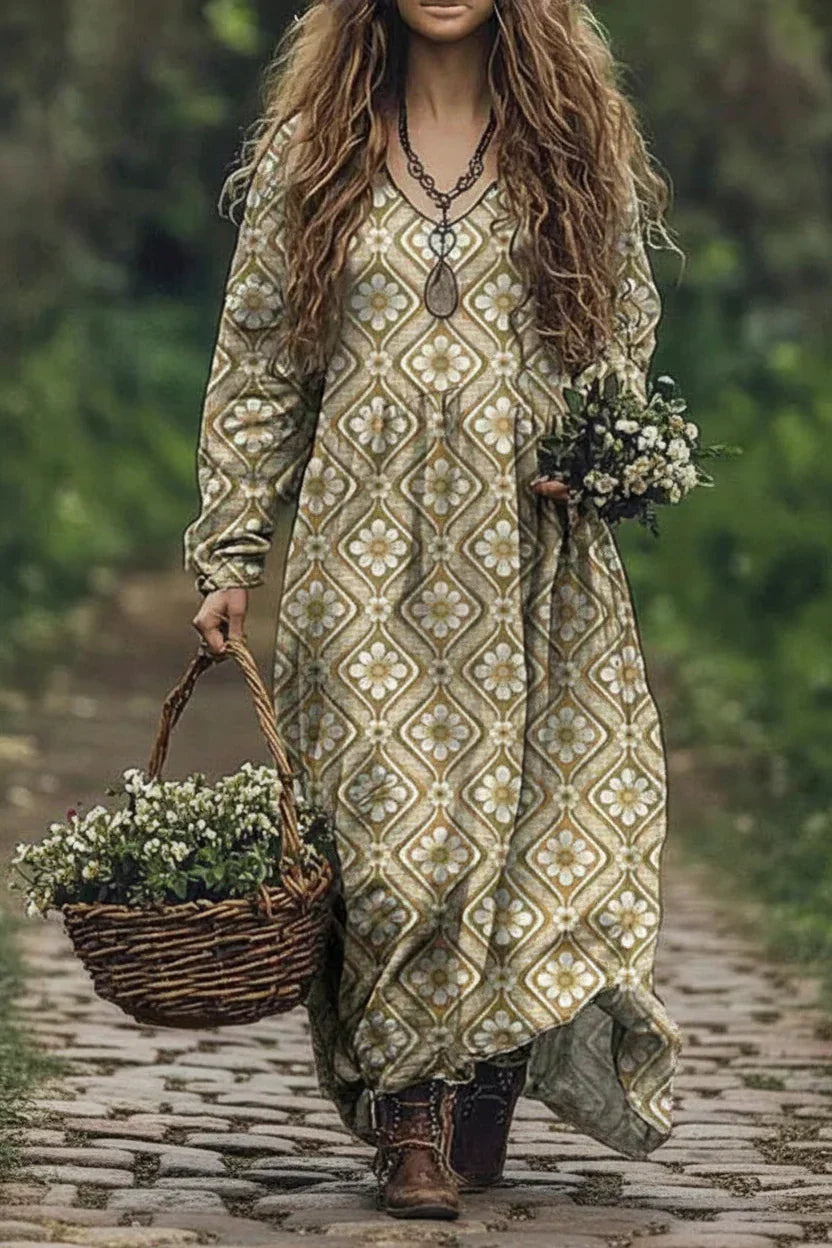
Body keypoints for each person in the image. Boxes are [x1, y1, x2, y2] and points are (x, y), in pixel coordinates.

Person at [183, 0, 683, 1222]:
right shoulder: (317, 150)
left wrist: (606, 451)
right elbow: (259, 360)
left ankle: (481, 1077)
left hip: (527, 552)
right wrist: (232, 547)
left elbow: (618, 332)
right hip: (365, 556)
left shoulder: (573, 142)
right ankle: (409, 1114)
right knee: (394, 839)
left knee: (526, 834)